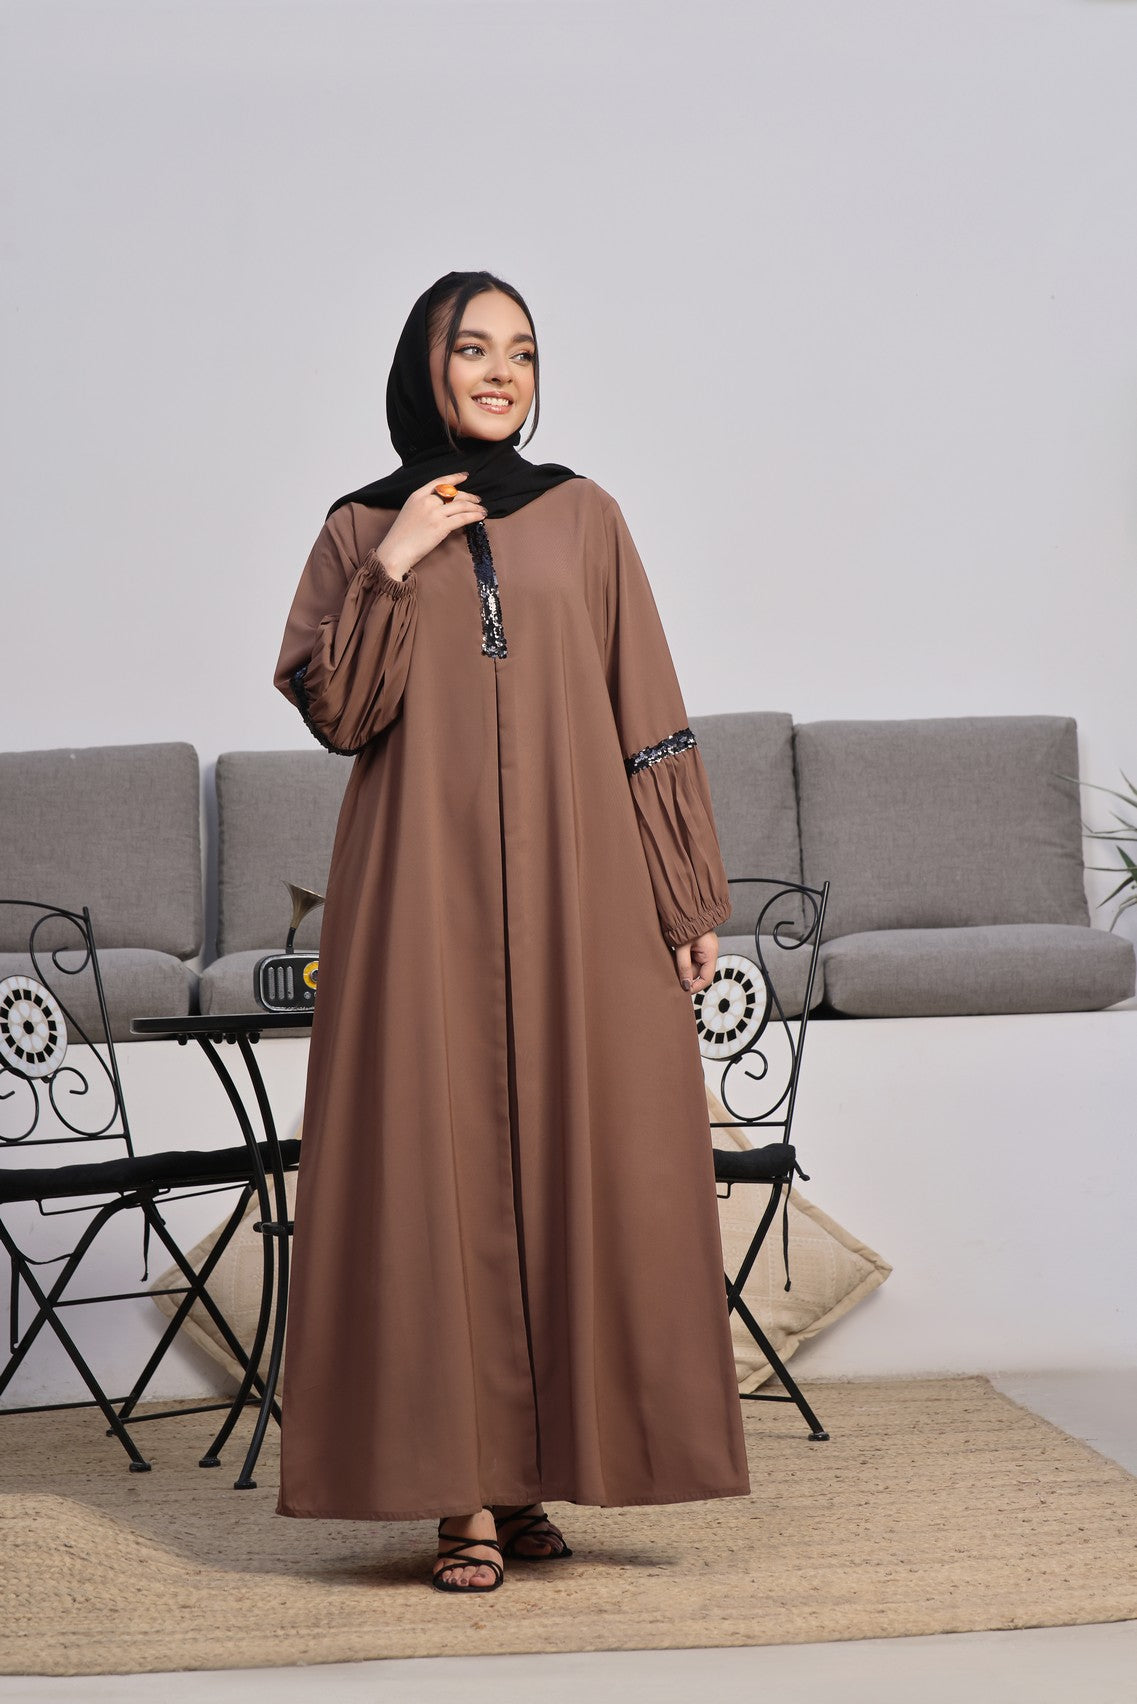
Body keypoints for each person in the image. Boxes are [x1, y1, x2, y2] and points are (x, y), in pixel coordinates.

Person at [273, 269, 750, 1593]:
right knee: (430, 1168)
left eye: (522, 353)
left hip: (581, 885)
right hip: (414, 889)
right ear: (423, 366)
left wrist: (684, 894)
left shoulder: (585, 515)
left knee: (582, 1155)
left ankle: (535, 1477)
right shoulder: (358, 526)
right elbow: (340, 713)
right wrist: (398, 558)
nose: (500, 373)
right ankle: (458, 1498)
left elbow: (644, 704)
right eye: (473, 348)